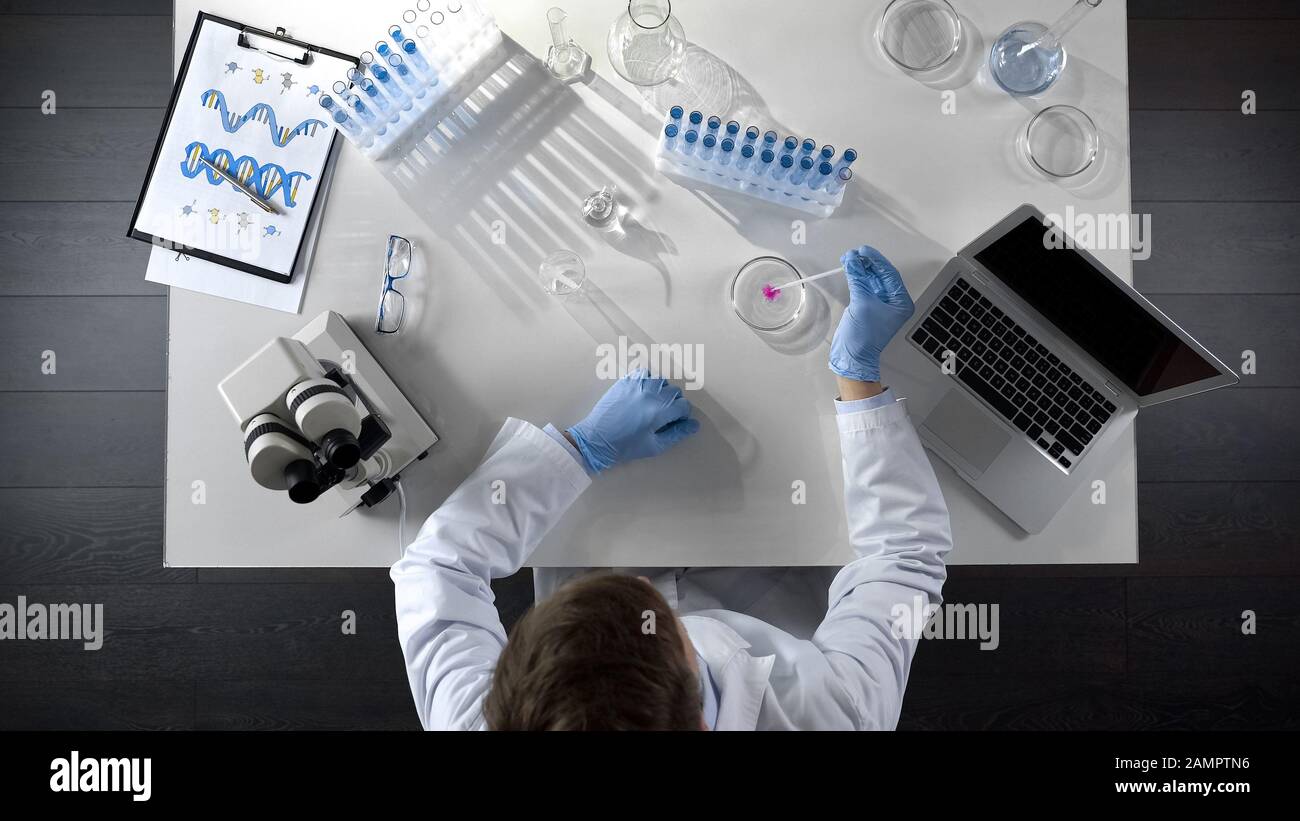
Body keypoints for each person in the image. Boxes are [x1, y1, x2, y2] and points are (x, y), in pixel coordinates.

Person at [391, 246, 953, 730]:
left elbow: (436, 569)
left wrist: (580, 449)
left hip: (602, 526)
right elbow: (904, 558)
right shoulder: (831, 712)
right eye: (654, 615)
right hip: (768, 578)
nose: (636, 577)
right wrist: (859, 374)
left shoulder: (487, 719)